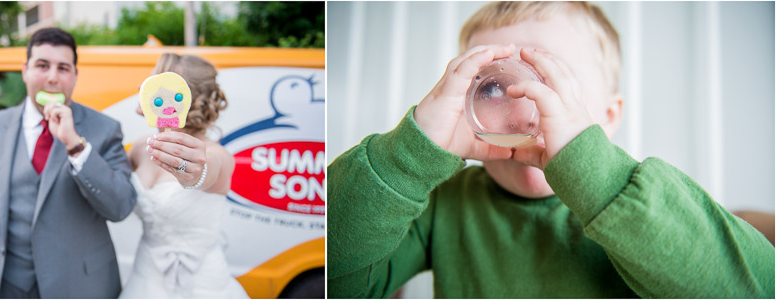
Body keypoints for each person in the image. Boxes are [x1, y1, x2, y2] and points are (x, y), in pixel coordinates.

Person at [327, 2, 774, 298]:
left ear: (609, 114)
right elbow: (336, 278)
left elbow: (755, 287)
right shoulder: (445, 201)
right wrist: (410, 154)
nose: (526, 103)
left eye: (552, 78)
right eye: (495, 85)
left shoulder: (642, 205)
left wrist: (597, 176)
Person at [0, 27, 137, 299]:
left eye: (63, 68)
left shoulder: (104, 129)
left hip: (79, 287)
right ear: (25, 70)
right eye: (42, 66)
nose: (52, 78)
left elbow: (120, 208)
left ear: (75, 76)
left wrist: (76, 146)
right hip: (4, 286)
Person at [118, 53, 249, 299]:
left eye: (152, 79)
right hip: (145, 278)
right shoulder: (139, 148)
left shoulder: (216, 154)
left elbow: (211, 171)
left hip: (203, 285)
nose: (141, 86)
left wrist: (196, 175)